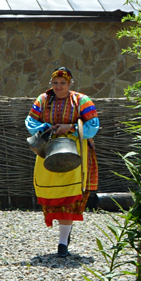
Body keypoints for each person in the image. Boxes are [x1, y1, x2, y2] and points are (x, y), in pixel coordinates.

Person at [25, 67, 100, 257]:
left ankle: (62, 242)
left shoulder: (82, 101)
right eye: (55, 83)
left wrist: (72, 127)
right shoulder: (43, 100)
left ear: (70, 84)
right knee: (53, 192)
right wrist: (45, 127)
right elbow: (30, 122)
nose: (58, 87)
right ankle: (64, 236)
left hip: (75, 153)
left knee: (69, 195)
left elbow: (92, 126)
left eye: (63, 83)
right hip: (49, 152)